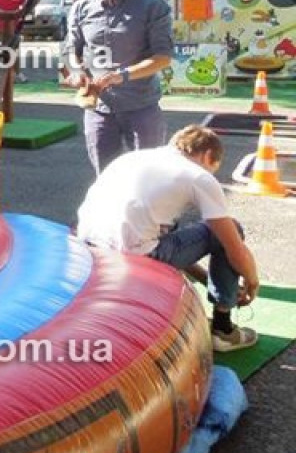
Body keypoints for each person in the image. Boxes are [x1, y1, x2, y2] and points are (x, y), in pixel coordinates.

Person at [76, 126, 260, 352]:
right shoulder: (198, 176)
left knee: (168, 224)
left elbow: (162, 241)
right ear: (208, 156)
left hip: (91, 252)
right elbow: (233, 246)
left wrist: (205, 279)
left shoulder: (132, 159)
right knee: (230, 228)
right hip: (135, 257)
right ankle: (223, 330)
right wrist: (251, 280)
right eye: (213, 168)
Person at [63, 0, 173, 174]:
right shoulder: (81, 8)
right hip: (99, 109)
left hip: (141, 107)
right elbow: (71, 49)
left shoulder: (153, 6)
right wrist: (76, 71)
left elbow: (163, 57)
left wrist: (122, 75)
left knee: (148, 177)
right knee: (105, 178)